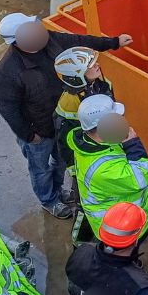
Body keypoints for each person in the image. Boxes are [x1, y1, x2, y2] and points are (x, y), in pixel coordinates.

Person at [0, 12, 131, 218]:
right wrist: (30, 136)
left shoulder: (48, 40)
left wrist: (113, 42)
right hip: (38, 130)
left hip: (62, 125)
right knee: (40, 169)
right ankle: (49, 200)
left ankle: (59, 192)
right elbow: (9, 109)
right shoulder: (7, 71)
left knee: (61, 162)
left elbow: (79, 41)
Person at [67, 94, 148, 246]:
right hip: (119, 228)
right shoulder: (102, 169)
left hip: (123, 214)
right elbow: (139, 179)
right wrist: (133, 144)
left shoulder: (91, 141)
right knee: (126, 252)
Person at [51, 46, 113, 205]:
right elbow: (64, 138)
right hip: (85, 154)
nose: (97, 65)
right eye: (91, 66)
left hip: (105, 143)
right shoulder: (69, 102)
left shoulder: (104, 84)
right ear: (77, 76)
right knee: (84, 198)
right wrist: (73, 168)